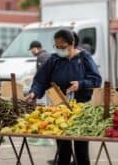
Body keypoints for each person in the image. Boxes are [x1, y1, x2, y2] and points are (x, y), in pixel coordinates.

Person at [26, 29, 102, 165]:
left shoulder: (84, 58)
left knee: (81, 151)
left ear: (72, 44)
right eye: (57, 46)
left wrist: (81, 84)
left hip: (80, 109)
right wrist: (34, 92)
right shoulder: (54, 59)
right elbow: (40, 80)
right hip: (58, 109)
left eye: (63, 46)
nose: (59, 49)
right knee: (63, 150)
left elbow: (96, 80)